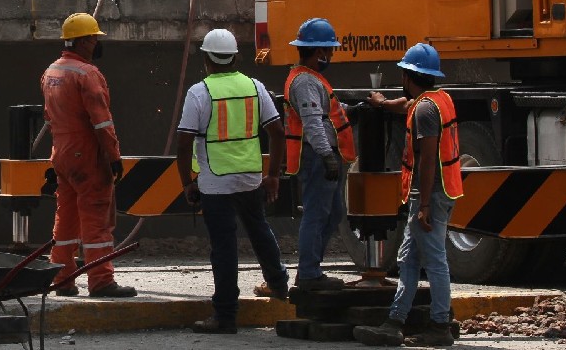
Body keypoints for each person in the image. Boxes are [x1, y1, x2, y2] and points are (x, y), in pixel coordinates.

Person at [176, 28, 288, 333]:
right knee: (259, 231)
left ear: (206, 60)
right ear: (236, 57)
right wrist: (274, 175)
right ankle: (279, 285)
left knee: (223, 247)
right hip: (250, 178)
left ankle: (225, 316)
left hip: (214, 183)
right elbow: (277, 132)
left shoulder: (199, 93)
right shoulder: (255, 86)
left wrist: (187, 182)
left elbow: (184, 143)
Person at [355, 44, 461, 347]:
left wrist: (424, 204)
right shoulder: (438, 100)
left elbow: (427, 158)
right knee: (409, 258)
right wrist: (383, 102)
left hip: (431, 195)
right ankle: (395, 320)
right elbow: (408, 105)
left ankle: (440, 325)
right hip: (440, 191)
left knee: (434, 260)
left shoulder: (426, 110)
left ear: (408, 75)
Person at [43, 13, 137, 299]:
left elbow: (51, 117)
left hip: (62, 153)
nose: (97, 43)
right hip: (87, 155)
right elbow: (102, 123)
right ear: (84, 41)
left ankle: (62, 278)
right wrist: (114, 157)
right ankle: (101, 280)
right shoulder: (88, 75)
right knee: (96, 218)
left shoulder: (51, 72)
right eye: (94, 38)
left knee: (66, 217)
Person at [284, 18, 357, 291]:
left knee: (333, 212)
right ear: (319, 52)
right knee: (317, 214)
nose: (332, 55)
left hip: (322, 154)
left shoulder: (312, 79)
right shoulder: (304, 81)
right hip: (317, 156)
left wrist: (353, 111)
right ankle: (309, 273)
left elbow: (325, 116)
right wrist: (327, 155)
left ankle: (311, 269)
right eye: (330, 50)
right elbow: (313, 121)